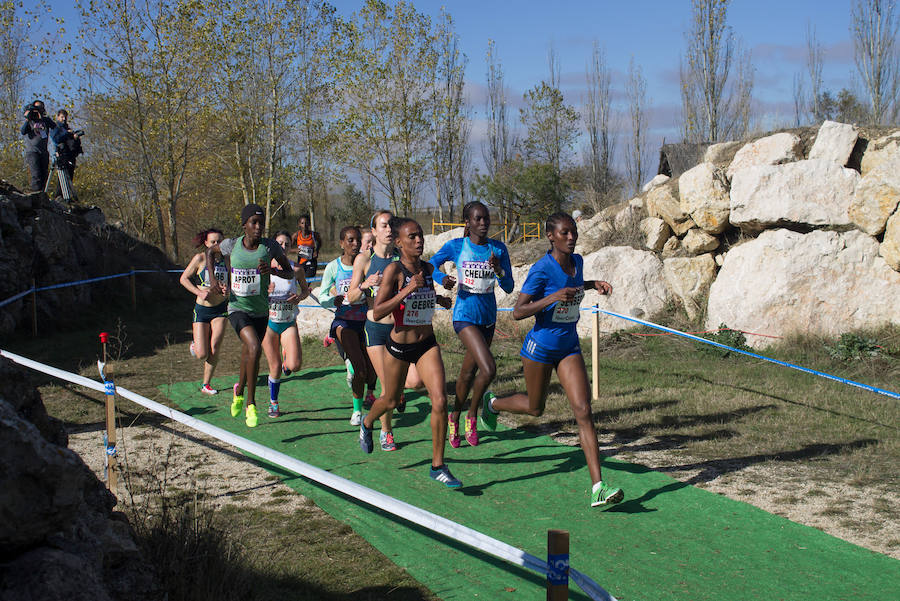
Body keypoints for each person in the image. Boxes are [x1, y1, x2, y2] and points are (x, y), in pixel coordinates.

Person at [481, 212, 623, 508]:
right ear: (551, 236)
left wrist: (593, 283)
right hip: (540, 347)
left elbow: (572, 287)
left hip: (569, 346)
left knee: (583, 409)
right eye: (564, 233)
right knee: (535, 408)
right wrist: (552, 297)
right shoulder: (541, 269)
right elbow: (519, 311)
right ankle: (492, 404)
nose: (571, 238)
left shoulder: (578, 262)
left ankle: (598, 485)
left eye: (574, 232)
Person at [358, 217, 460, 488]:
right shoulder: (394, 271)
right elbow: (378, 311)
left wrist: (438, 299)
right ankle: (368, 423)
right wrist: (407, 290)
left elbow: (423, 296)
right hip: (399, 346)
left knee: (439, 400)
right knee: (390, 400)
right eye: (412, 237)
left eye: (420, 236)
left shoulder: (427, 268)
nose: (419, 240)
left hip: (426, 343)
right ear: (400, 243)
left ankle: (438, 465)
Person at [207, 203, 306, 428]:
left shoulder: (270, 247)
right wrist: (214, 280)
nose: (258, 227)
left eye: (261, 223)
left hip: (261, 311)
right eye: (254, 222)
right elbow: (209, 254)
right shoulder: (231, 245)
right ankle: (251, 404)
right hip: (237, 307)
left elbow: (289, 271)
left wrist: (271, 271)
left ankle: (239, 393)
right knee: (253, 348)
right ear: (245, 225)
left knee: (247, 354)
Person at [429, 201, 514, 448]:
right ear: (468, 222)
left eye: (486, 218)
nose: (483, 223)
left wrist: (499, 270)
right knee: (488, 369)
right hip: (464, 316)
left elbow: (509, 286)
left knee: (468, 373)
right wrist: (441, 277)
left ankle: (455, 416)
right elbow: (431, 263)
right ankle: (473, 415)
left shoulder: (498, 249)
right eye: (477, 219)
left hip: (487, 317)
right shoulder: (457, 246)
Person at [319, 226, 385, 444]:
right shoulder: (333, 267)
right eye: (350, 240)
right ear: (341, 243)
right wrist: (333, 299)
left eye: (358, 240)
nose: (355, 244)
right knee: (358, 366)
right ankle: (357, 411)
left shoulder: (368, 265)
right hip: (343, 322)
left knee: (369, 369)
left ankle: (367, 394)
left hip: (365, 321)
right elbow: (322, 294)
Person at [261, 230, 307, 418]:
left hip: (288, 321)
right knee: (274, 366)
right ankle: (274, 403)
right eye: (280, 243)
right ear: (273, 245)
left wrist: (299, 298)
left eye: (287, 244)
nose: (283, 247)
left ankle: (287, 360)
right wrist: (266, 291)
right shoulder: (264, 269)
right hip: (268, 323)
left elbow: (305, 291)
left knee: (295, 365)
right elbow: (253, 294)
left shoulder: (296, 270)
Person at [179, 228, 228, 395]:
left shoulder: (226, 259)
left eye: (220, 241)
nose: (217, 245)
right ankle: (196, 345)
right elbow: (183, 278)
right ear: (206, 243)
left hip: (220, 309)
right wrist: (199, 292)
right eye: (213, 241)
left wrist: (228, 290)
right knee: (201, 354)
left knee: (215, 347)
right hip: (202, 310)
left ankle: (206, 384)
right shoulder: (199, 259)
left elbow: (234, 280)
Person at [20, 100, 56, 192]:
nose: (39, 110)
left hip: (43, 151)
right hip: (32, 151)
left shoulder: (46, 120)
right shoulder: (30, 121)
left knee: (44, 175)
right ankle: (36, 195)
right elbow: (23, 131)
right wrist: (28, 119)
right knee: (36, 175)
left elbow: (54, 126)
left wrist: (43, 118)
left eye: (41, 107)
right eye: (37, 108)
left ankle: (43, 195)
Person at [294, 214, 322, 279]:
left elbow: (320, 242)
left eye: (306, 223)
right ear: (299, 224)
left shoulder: (314, 234)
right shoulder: (296, 235)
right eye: (302, 223)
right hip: (301, 261)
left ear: (309, 224)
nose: (304, 225)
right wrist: (295, 250)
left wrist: (317, 250)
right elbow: (287, 246)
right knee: (302, 281)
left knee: (307, 281)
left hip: (312, 261)